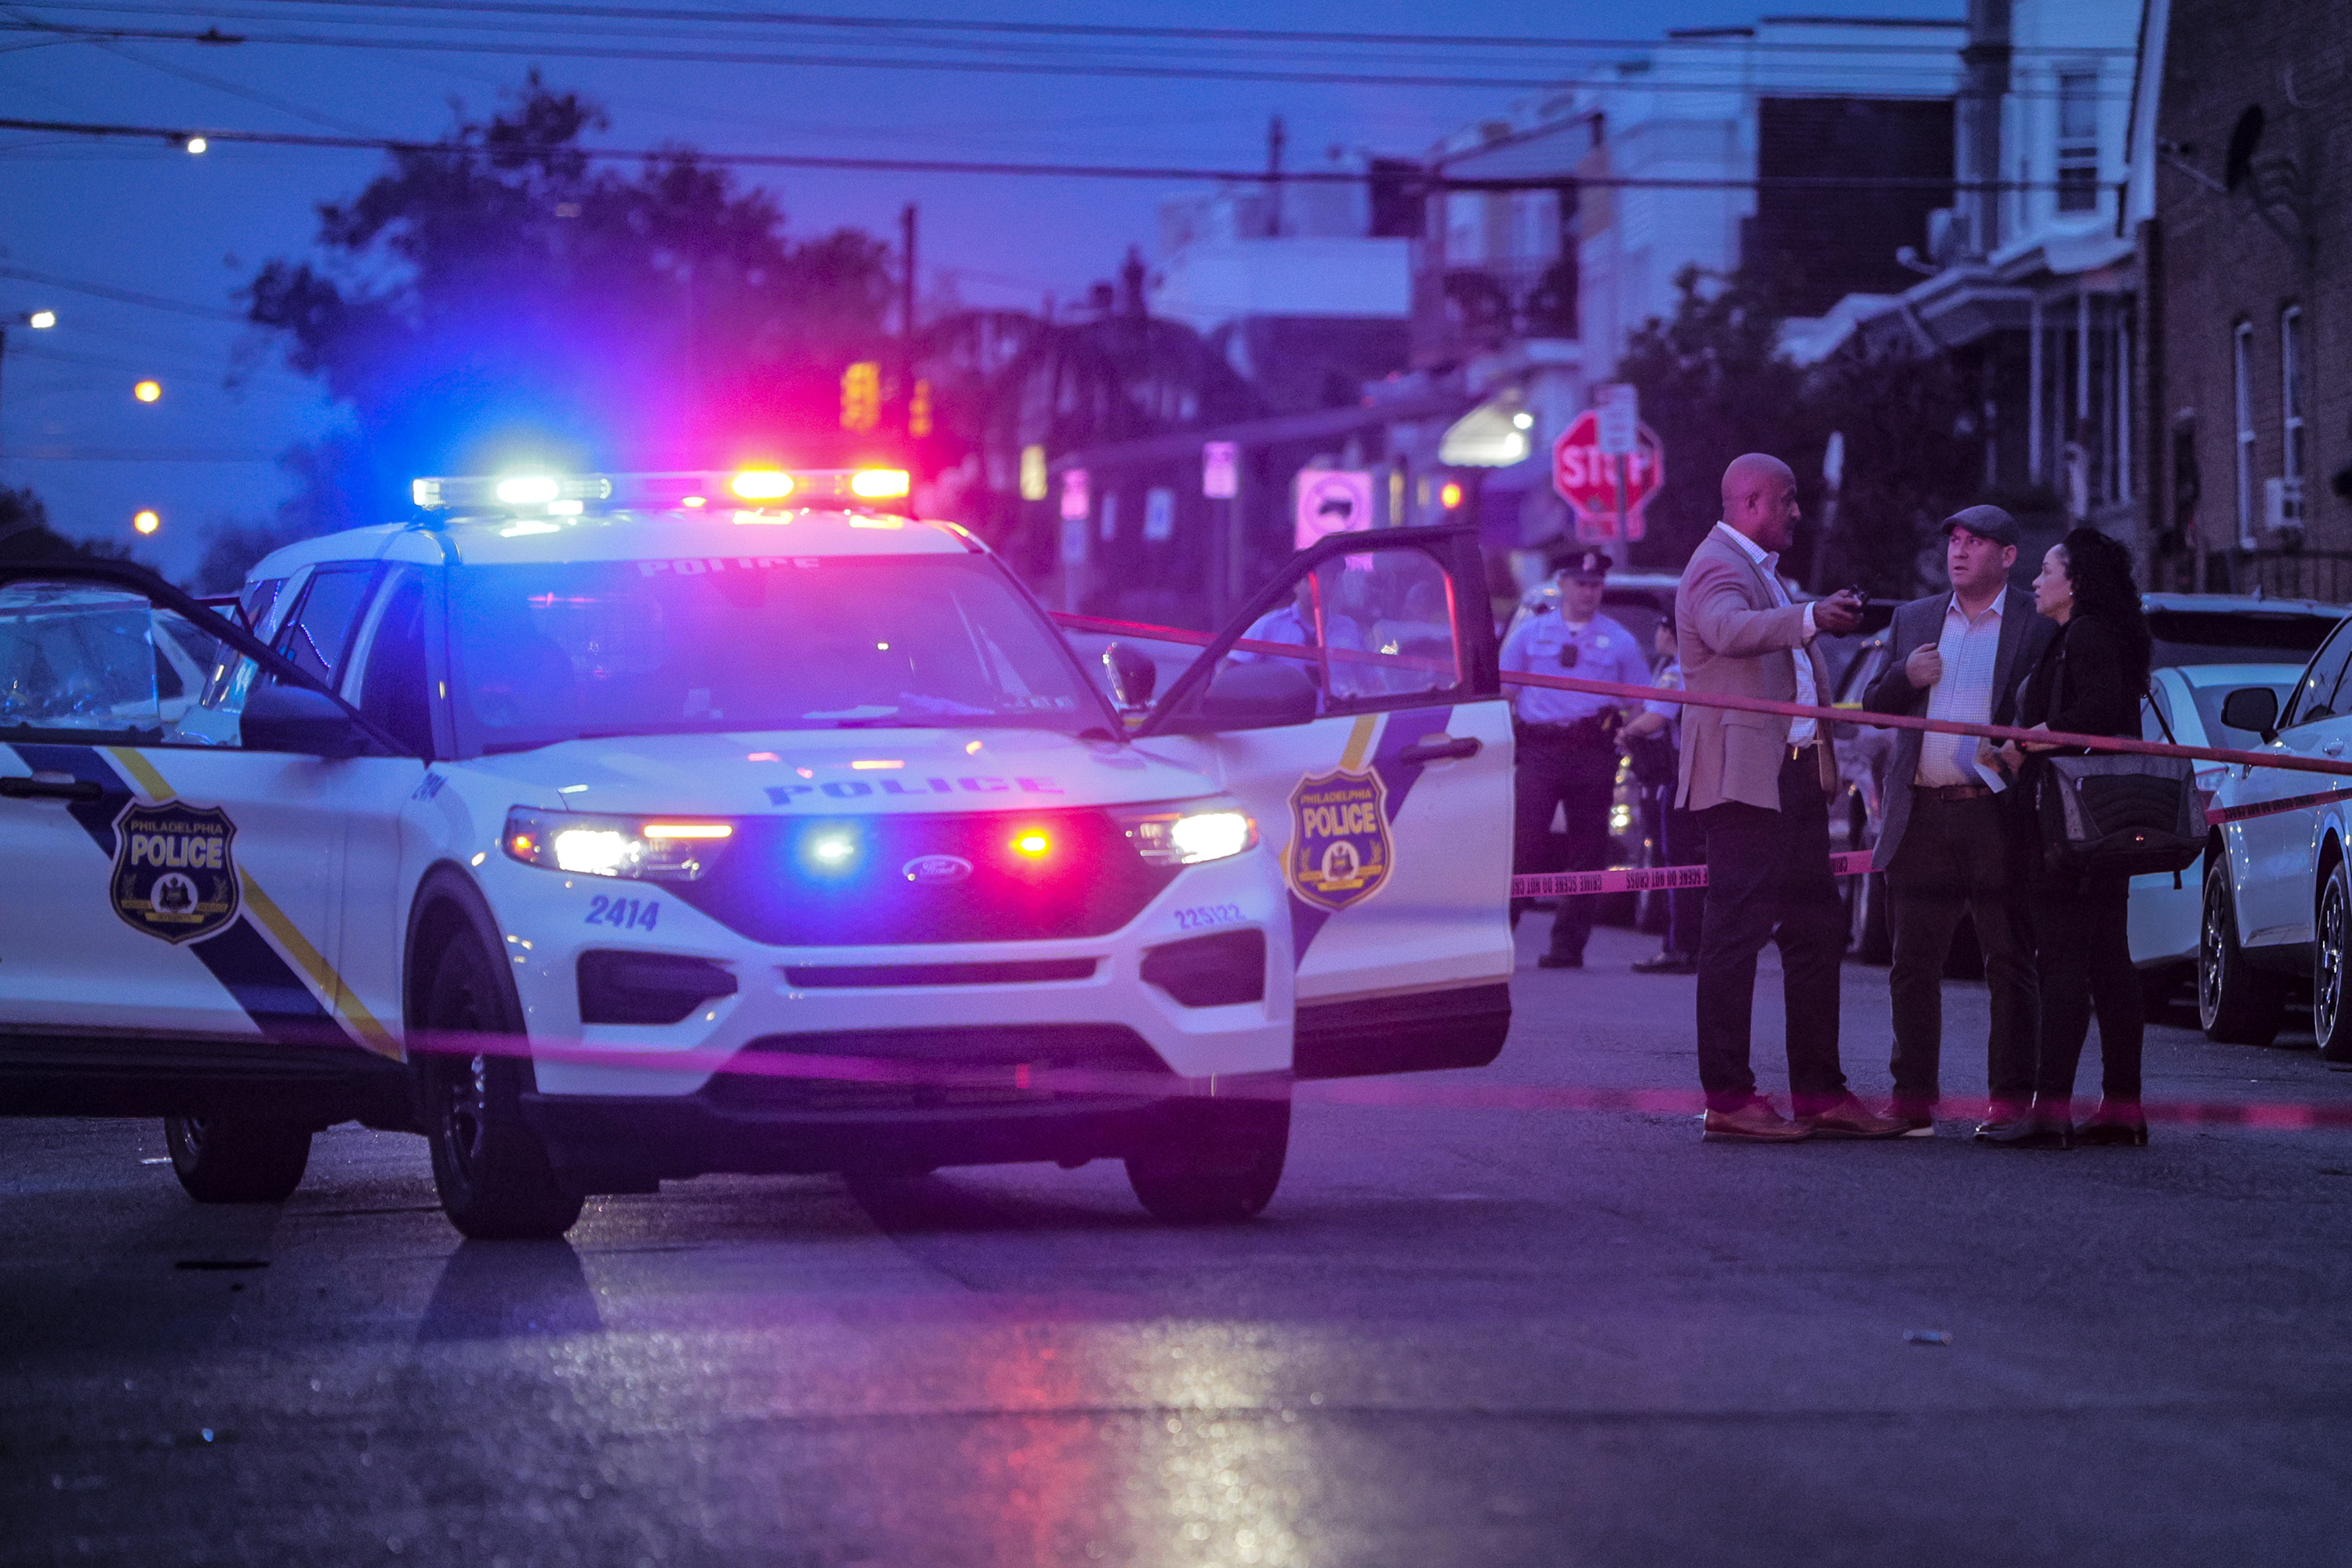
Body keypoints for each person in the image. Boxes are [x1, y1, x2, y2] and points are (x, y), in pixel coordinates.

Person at [1677, 454, 1902, 1142]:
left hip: (1793, 775)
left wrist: (1823, 756)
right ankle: (1728, 1097)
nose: (1797, 513)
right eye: (1788, 501)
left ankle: (1820, 1093)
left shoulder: (1764, 573)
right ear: (1750, 503)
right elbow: (1726, 630)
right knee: (1736, 933)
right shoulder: (1718, 566)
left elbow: (1796, 679)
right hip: (1746, 779)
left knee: (1814, 931)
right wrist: (1807, 616)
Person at [1861, 506, 2056, 1135]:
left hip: (1997, 813)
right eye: (1955, 541)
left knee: (2009, 959)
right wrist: (1903, 674)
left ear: (2007, 557)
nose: (1960, 552)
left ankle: (2009, 1103)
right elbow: (1873, 706)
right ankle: (1912, 1100)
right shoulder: (1915, 618)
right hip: (1922, 808)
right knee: (1912, 963)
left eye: (1976, 543)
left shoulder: (2035, 622)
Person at [1984, 527, 2153, 1149]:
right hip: (2096, 826)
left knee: (2064, 961)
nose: (2035, 579)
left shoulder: (2085, 634)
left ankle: (2051, 1108)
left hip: (2074, 829)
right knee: (2109, 962)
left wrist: (2029, 739)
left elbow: (2100, 713)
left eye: (2047, 568)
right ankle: (2120, 1105)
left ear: (2074, 580)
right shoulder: (2082, 635)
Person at [1500, 546, 1652, 970]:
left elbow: (1640, 700)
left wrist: (1630, 738)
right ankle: (1500, 941)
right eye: (1581, 583)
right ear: (1562, 584)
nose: (1588, 592)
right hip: (1539, 751)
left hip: (1592, 754)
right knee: (1524, 846)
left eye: (1596, 584)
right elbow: (1503, 695)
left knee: (1587, 850)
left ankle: (1568, 946)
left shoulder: (1620, 641)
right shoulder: (1529, 635)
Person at [1623, 615, 1701, 973]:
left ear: (1668, 633)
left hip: (1682, 780)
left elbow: (1654, 719)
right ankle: (1693, 946)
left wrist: (1624, 734)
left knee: (1678, 866)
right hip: (1708, 778)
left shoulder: (1676, 670)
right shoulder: (1704, 666)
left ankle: (1679, 947)